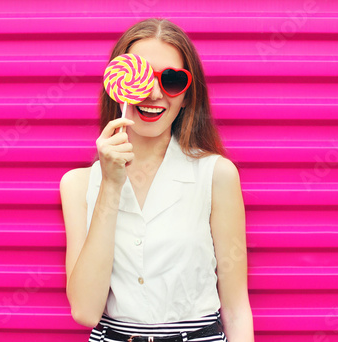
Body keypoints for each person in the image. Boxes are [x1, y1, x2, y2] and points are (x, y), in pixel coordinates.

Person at [60, 18, 255, 342]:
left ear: (188, 95)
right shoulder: (79, 184)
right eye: (142, 77)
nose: (152, 93)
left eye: (171, 80)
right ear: (118, 83)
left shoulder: (216, 175)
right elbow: (85, 310)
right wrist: (110, 184)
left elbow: (236, 308)